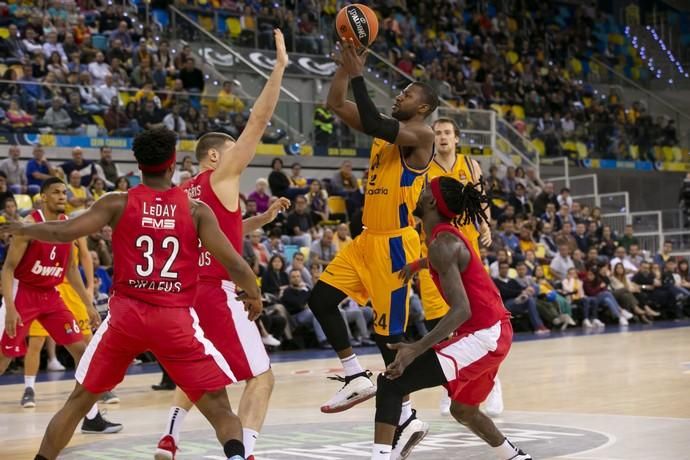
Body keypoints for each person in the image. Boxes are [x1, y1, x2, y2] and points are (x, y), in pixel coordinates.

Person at [1, 128, 262, 460]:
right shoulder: (195, 210)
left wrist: (24, 228)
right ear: (172, 168)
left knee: (79, 401)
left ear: (138, 166)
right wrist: (254, 294)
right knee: (220, 408)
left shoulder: (116, 202)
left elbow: (62, 231)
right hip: (174, 319)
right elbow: (236, 263)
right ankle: (237, 456)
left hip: (126, 319)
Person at [154, 31, 289, 460]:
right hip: (216, 291)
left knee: (201, 372)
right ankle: (244, 452)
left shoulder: (184, 193)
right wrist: (280, 68)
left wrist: (259, 221)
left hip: (182, 295)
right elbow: (258, 123)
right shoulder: (221, 177)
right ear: (215, 157)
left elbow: (214, 237)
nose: (239, 158)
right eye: (232, 152)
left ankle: (169, 439)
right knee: (262, 377)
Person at [307, 38, 438, 455]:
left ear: (422, 107)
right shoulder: (388, 129)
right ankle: (354, 374)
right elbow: (335, 105)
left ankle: (408, 415)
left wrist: (361, 74)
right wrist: (345, 69)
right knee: (321, 300)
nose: (400, 94)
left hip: (396, 249)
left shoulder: (420, 134)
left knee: (390, 341)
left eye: (408, 93)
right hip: (365, 240)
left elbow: (378, 123)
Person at [371, 175, 531, 460]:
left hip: (484, 334)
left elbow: (461, 310)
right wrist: (417, 265)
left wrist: (415, 348)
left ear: (430, 202)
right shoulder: (443, 240)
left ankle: (382, 455)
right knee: (462, 409)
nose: (417, 193)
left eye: (422, 190)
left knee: (393, 382)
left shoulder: (442, 244)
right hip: (493, 329)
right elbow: (448, 263)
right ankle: (515, 457)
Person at [0, 177, 121, 434]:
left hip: (51, 294)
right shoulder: (29, 226)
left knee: (82, 350)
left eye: (64, 192)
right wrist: (10, 306)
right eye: (56, 192)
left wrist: (87, 304)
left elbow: (70, 270)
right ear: (43, 197)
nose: (62, 196)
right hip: (23, 293)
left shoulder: (69, 227)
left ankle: (91, 417)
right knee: (4, 358)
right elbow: (8, 268)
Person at [397, 117, 498, 417]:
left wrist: (485, 226)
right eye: (437, 133)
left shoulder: (470, 165)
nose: (441, 137)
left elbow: (480, 199)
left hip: (466, 252)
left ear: (456, 138)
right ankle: (450, 386)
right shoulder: (424, 167)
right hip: (437, 249)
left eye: (447, 133)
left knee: (475, 322)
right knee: (440, 321)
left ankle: (491, 383)